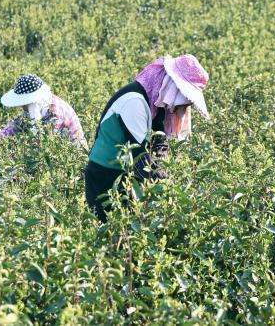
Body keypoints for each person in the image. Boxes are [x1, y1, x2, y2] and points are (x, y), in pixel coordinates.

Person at [84, 54, 210, 222]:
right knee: (110, 236)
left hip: (125, 179)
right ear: (173, 88)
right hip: (105, 178)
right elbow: (141, 158)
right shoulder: (134, 102)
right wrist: (170, 196)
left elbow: (159, 146)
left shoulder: (156, 103)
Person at [0, 74, 88, 150]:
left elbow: (43, 143)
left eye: (24, 103)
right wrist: (1, 136)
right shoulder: (39, 105)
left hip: (73, 154)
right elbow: (18, 123)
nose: (22, 106)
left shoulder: (54, 114)